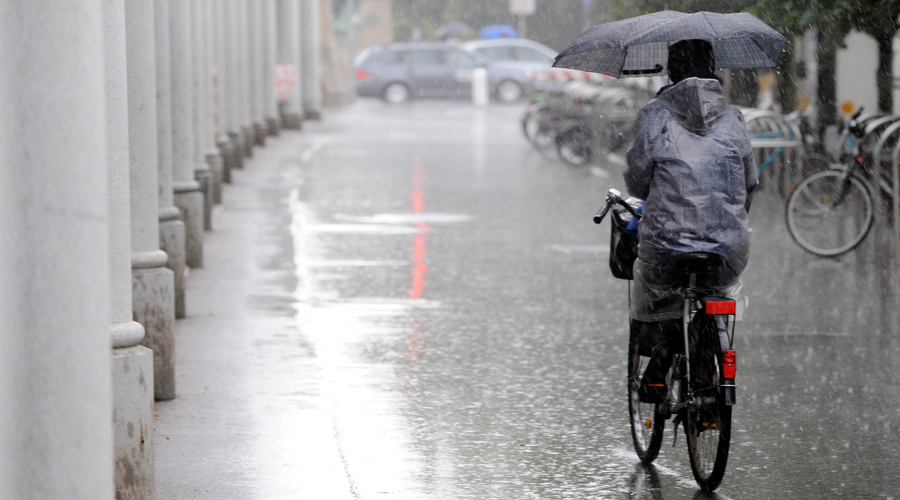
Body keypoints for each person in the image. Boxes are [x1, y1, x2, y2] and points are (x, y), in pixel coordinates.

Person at [623, 39, 758, 403]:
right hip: (728, 247)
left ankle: (663, 353)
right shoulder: (734, 118)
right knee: (711, 289)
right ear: (713, 69)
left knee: (655, 285)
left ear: (671, 71)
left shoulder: (654, 116)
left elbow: (637, 180)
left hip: (669, 244)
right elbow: (750, 183)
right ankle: (706, 367)